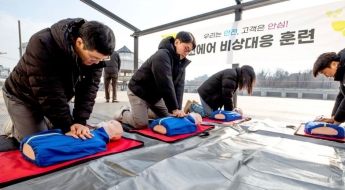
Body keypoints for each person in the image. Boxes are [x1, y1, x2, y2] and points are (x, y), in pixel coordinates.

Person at [2, 18, 116, 143]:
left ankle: (41, 121)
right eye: (94, 57)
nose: (96, 63)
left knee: (74, 131)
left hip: (59, 95)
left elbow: (88, 90)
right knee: (38, 141)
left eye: (102, 59)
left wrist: (80, 121)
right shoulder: (42, 43)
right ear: (79, 42)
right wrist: (67, 126)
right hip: (23, 96)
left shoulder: (95, 60)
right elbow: (48, 91)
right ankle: (15, 125)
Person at [113, 31, 196, 129]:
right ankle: (123, 113)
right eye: (186, 48)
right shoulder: (162, 55)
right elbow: (165, 82)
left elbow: (179, 87)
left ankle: (143, 111)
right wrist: (174, 108)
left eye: (189, 51)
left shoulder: (181, 64)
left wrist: (177, 110)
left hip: (154, 96)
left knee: (170, 117)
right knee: (141, 124)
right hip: (139, 91)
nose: (186, 53)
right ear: (177, 42)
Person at [21, 120, 123, 167]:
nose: (105, 120)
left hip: (39, 149)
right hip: (33, 144)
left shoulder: (99, 142)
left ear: (115, 134)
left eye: (111, 122)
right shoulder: (93, 133)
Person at [184, 65, 256, 118]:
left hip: (211, 96)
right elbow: (227, 96)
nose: (245, 81)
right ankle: (191, 106)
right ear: (245, 76)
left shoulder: (234, 76)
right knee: (209, 114)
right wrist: (230, 113)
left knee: (213, 113)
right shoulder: (232, 75)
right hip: (207, 94)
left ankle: (196, 105)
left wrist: (229, 112)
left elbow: (227, 96)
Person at [312, 49, 345, 125]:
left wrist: (336, 121)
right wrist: (333, 117)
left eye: (324, 72)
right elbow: (342, 95)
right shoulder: (342, 69)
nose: (326, 76)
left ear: (334, 64)